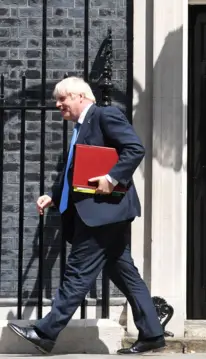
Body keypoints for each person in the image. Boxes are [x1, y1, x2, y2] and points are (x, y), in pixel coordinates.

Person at [7, 77, 166, 355]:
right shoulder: (81, 128)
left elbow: (134, 148)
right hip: (101, 213)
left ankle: (46, 332)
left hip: (103, 212)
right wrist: (55, 197)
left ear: (79, 96)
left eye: (62, 99)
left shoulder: (105, 115)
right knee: (124, 272)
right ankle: (152, 333)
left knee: (78, 273)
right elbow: (74, 170)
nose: (58, 105)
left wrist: (112, 177)